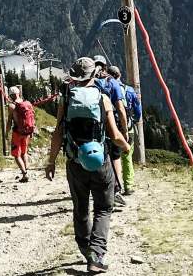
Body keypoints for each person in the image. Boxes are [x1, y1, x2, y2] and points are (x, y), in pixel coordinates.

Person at [46, 57, 132, 273]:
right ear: (94, 74)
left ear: (74, 76)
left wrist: (51, 161)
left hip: (75, 162)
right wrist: (126, 146)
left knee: (81, 207)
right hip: (100, 162)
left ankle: (86, 249)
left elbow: (58, 133)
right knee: (103, 208)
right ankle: (97, 254)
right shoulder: (103, 98)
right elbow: (114, 135)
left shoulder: (66, 98)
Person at [91, 56, 128, 208]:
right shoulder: (112, 82)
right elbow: (120, 109)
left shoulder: (89, 81)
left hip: (93, 126)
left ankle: (100, 189)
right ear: (105, 66)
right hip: (112, 124)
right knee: (115, 157)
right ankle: (116, 189)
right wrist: (124, 130)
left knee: (99, 156)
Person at [108, 65, 142, 194]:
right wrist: (134, 120)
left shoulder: (106, 89)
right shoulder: (130, 90)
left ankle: (114, 185)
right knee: (127, 155)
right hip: (127, 127)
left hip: (111, 128)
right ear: (119, 75)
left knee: (112, 157)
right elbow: (138, 109)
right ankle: (128, 186)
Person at [6, 85, 35, 182]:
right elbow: (32, 118)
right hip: (27, 132)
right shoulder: (27, 104)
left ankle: (24, 174)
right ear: (18, 93)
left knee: (16, 155)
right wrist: (32, 131)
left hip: (17, 133)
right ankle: (27, 172)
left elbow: (9, 121)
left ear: (11, 95)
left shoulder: (11, 106)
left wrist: (6, 133)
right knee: (24, 153)